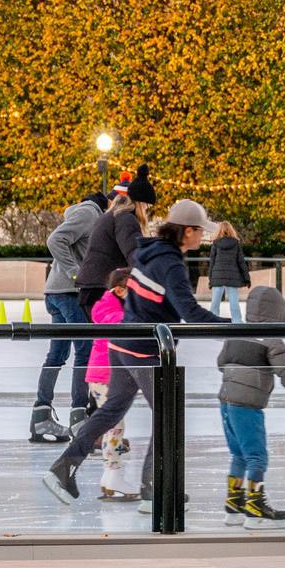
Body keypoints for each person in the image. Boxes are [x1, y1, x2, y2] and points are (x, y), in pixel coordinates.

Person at [44, 198, 229, 510]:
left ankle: (64, 468)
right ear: (185, 232)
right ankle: (153, 488)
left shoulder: (147, 252)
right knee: (169, 413)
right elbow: (190, 312)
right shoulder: (170, 264)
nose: (202, 236)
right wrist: (232, 327)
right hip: (143, 351)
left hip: (122, 345)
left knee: (111, 410)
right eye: (199, 230)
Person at [215, 286, 285, 530]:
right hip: (247, 406)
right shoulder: (271, 339)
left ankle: (234, 505)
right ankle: (255, 509)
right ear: (279, 313)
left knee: (239, 454)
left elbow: (221, 363)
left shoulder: (236, 332)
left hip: (226, 401)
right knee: (256, 457)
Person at [34, 189, 108, 444]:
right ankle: (79, 417)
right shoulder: (90, 213)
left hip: (56, 292)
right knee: (85, 351)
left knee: (57, 354)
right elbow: (55, 240)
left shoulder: (79, 213)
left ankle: (41, 415)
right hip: (69, 293)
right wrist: (77, 274)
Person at [75, 167, 153, 320]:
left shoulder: (112, 215)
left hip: (93, 287)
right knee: (115, 340)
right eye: (147, 206)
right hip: (102, 288)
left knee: (108, 340)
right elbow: (134, 254)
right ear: (139, 203)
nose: (147, 210)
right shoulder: (125, 218)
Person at [82, 267, 136, 485]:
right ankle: (111, 471)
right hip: (103, 375)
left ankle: (113, 464)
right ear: (121, 290)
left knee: (115, 422)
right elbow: (119, 322)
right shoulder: (108, 309)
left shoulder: (114, 306)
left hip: (108, 374)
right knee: (115, 423)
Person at [205, 221, 249, 323]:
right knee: (234, 301)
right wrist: (247, 278)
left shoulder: (215, 244)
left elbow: (212, 262)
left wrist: (210, 279)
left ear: (219, 231)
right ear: (231, 230)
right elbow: (241, 262)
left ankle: (213, 321)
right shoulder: (236, 244)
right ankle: (237, 320)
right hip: (232, 277)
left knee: (215, 302)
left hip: (217, 276)